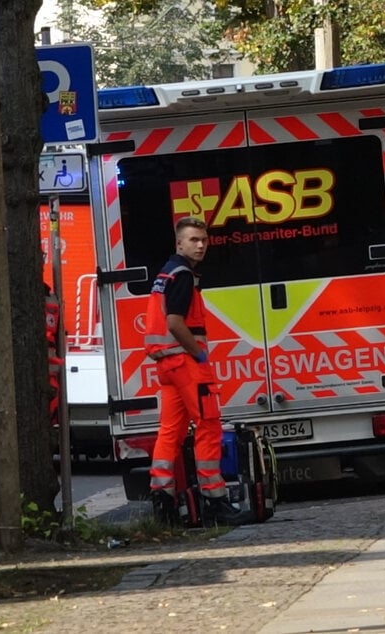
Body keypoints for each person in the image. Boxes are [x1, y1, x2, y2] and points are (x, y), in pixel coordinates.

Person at [146, 217, 253, 525]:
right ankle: (215, 501)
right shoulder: (182, 276)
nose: (201, 245)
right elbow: (175, 323)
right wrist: (199, 353)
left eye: (204, 240)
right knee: (208, 425)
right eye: (194, 240)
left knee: (170, 432)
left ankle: (163, 500)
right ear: (179, 243)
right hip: (185, 363)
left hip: (167, 366)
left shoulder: (166, 273)